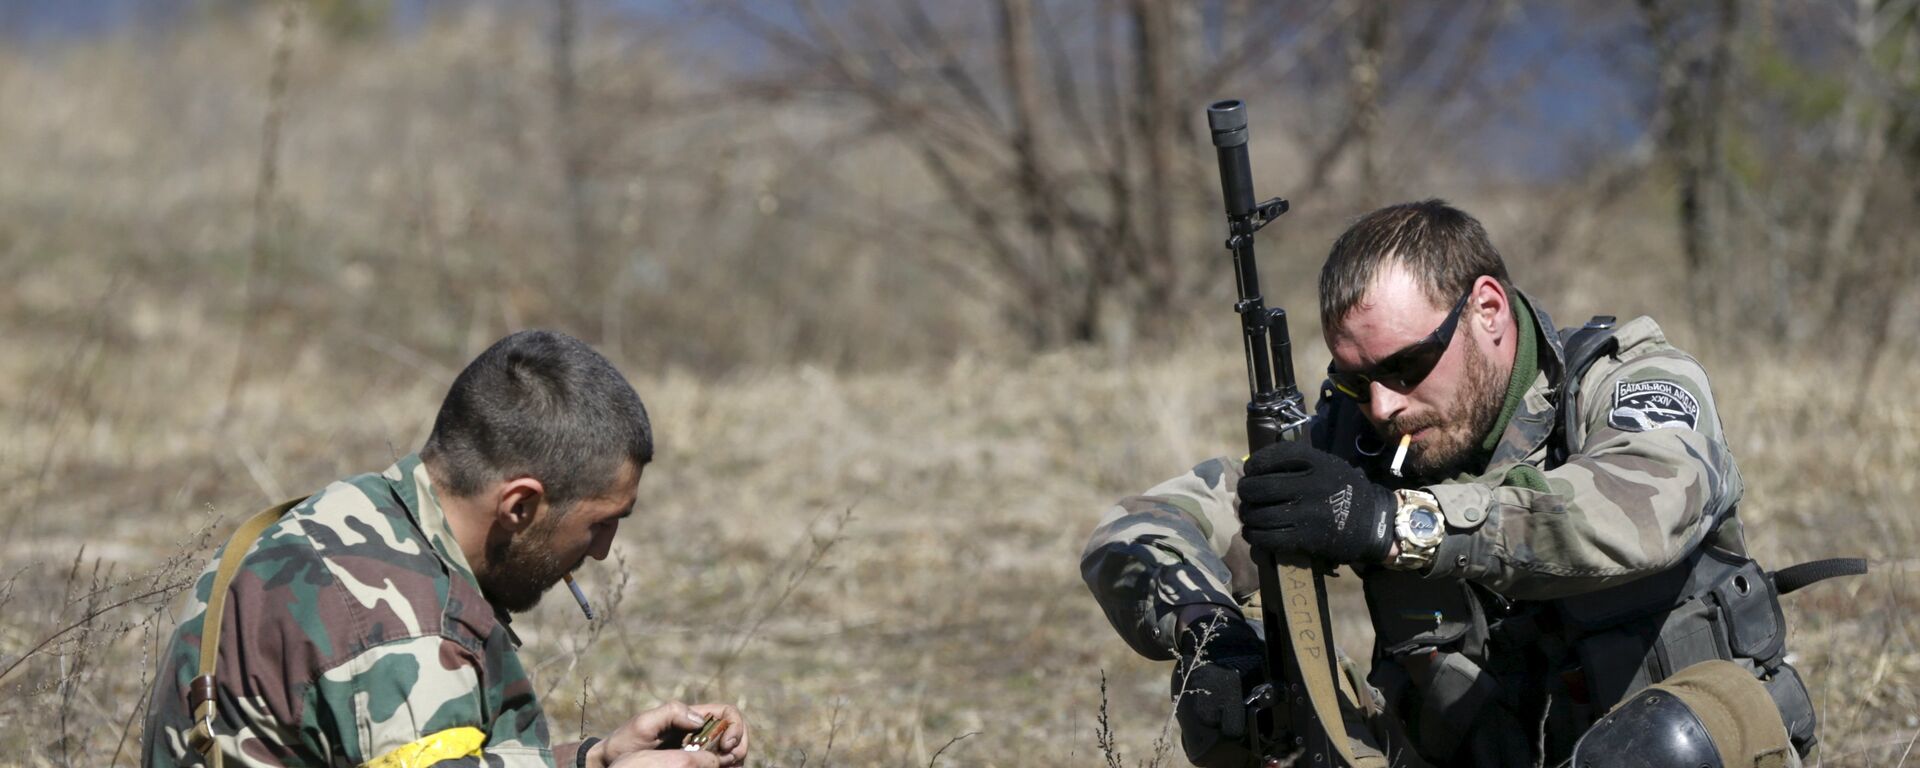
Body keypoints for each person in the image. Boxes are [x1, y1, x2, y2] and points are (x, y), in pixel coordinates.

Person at [1082, 201, 1816, 767]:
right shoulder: (1363, 436)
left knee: (1664, 745)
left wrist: (1390, 523)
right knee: (1250, 705)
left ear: (1487, 311)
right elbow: (1137, 528)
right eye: (1356, 379)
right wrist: (1209, 631)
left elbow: (1640, 508)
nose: (1382, 406)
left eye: (1404, 368)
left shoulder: (1624, 381)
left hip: (1670, 744)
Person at [144, 330, 748, 768]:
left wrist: (597, 758)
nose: (601, 552)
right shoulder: (404, 634)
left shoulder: (356, 514)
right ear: (520, 506)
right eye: (600, 524)